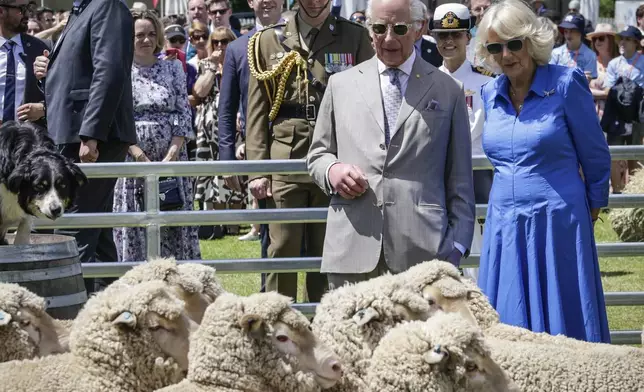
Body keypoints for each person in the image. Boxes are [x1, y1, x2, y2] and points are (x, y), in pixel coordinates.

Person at [307, 0, 475, 289]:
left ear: (419, 28)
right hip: (353, 249)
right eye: (379, 28)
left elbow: (460, 179)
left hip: (425, 255)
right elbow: (318, 154)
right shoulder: (340, 85)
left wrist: (457, 245)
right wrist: (332, 170)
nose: (388, 38)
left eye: (399, 28)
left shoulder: (449, 91)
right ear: (368, 29)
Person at [475, 0, 611, 343]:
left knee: (566, 326)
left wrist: (588, 210)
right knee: (508, 322)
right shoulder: (489, 93)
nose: (506, 55)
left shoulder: (567, 82)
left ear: (531, 41)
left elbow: (595, 156)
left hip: (559, 225)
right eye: (495, 47)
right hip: (504, 224)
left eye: (514, 43)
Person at [245, 0, 374, 301]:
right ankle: (280, 326)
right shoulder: (267, 41)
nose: (315, 2)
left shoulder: (353, 37)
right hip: (286, 160)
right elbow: (256, 111)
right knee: (282, 250)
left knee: (329, 253)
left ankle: (324, 325)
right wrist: (257, 170)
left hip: (336, 158)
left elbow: (369, 100)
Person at [33, 0, 136, 293]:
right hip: (73, 132)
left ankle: (73, 313)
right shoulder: (82, 10)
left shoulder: (107, 6)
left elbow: (110, 71)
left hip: (91, 137)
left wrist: (91, 134)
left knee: (73, 229)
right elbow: (79, 72)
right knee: (94, 230)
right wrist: (48, 69)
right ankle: (111, 313)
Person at [113, 10, 201, 262]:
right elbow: (116, 117)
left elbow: (183, 112)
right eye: (139, 35)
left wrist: (172, 154)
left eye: (152, 34)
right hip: (132, 160)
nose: (146, 40)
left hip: (171, 160)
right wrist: (137, 153)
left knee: (173, 226)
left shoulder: (172, 68)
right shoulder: (120, 72)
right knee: (136, 227)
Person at [432, 3, 494, 283]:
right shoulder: (426, 80)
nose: (448, 42)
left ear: (468, 37)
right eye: (442, 36)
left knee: (480, 249)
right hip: (438, 174)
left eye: (456, 34)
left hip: (477, 172)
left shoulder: (487, 81)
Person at [217, 0, 283, 246]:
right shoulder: (237, 48)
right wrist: (227, 161)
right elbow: (226, 110)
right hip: (260, 154)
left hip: (300, 149)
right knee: (269, 239)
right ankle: (270, 285)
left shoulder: (299, 40)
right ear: (250, 2)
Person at [0, 0, 49, 130]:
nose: (27, 14)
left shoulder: (42, 48)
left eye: (29, 7)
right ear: (1, 11)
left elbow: (60, 92)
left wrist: (43, 108)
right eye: (21, 9)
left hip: (29, 140)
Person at [587, 24, 623, 193]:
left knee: (616, 155)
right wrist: (604, 93)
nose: (597, 42)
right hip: (594, 114)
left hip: (617, 114)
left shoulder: (620, 63)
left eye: (602, 38)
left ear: (611, 40)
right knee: (596, 153)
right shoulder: (591, 61)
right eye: (595, 39)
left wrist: (596, 92)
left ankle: (618, 193)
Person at [550, 13, 597, 80]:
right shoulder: (556, 53)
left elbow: (590, 81)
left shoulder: (590, 55)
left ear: (580, 32)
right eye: (566, 31)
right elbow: (551, 75)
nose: (568, 35)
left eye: (572, 31)